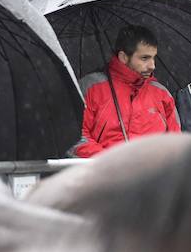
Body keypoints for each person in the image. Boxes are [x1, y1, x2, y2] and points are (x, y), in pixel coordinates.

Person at [72, 25, 180, 158]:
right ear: (123, 57)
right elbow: (76, 138)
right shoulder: (91, 87)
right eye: (145, 58)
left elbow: (176, 142)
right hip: (106, 170)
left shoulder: (161, 93)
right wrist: (112, 162)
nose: (152, 66)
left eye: (153, 58)